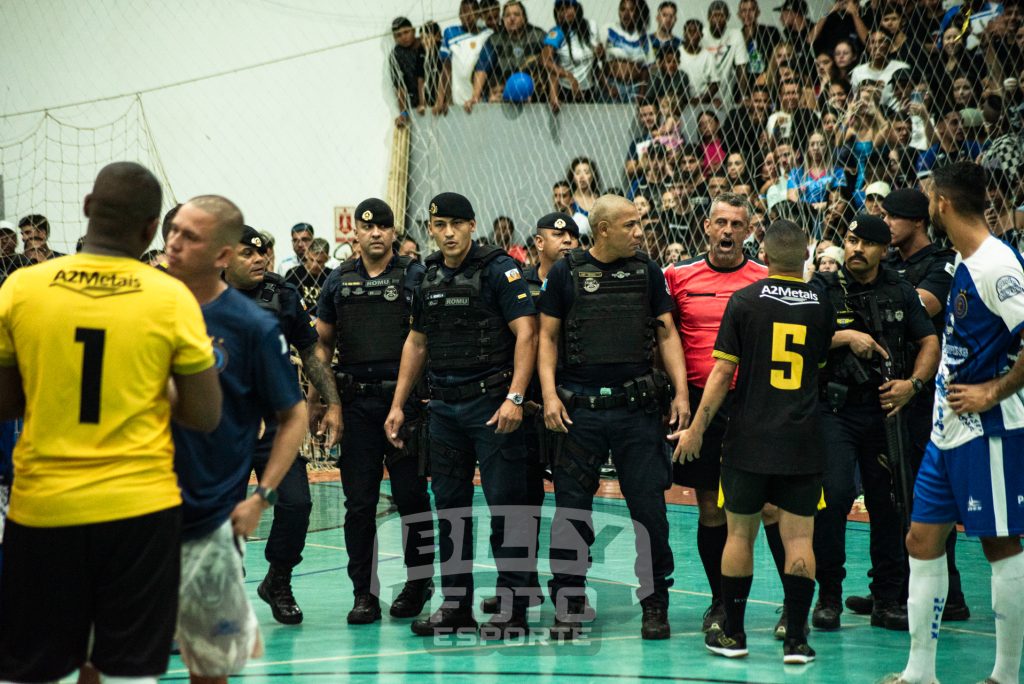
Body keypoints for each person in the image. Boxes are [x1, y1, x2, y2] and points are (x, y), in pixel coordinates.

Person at [0, 162, 222, 683]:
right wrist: (147, 384)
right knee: (126, 671)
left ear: (85, 208)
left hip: (44, 507)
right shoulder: (170, 297)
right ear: (151, 230)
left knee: (31, 670)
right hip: (139, 510)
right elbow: (204, 414)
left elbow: (5, 402)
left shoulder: (20, 288)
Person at [879, 162, 1024, 684]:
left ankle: (1005, 675)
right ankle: (920, 672)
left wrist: (994, 390)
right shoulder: (966, 261)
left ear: (940, 203)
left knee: (1000, 543)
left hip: (988, 430)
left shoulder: (995, 264)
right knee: (921, 539)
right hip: (948, 428)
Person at [672, 219, 834, 664]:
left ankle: (734, 633)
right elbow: (818, 362)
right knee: (800, 537)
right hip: (802, 440)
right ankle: (797, 640)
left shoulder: (744, 301)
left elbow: (722, 373)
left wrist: (698, 428)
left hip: (748, 440)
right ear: (805, 257)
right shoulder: (821, 302)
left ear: (763, 254)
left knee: (738, 534)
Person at [164, 195, 307, 681]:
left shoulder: (252, 326)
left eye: (191, 236)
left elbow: (294, 415)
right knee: (101, 653)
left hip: (207, 515)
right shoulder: (143, 303)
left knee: (210, 664)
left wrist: (261, 496)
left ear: (222, 255)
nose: (174, 243)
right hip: (132, 503)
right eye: (173, 231)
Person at [384, 192, 538, 639]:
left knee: (506, 508)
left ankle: (513, 607)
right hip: (445, 410)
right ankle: (455, 606)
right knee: (449, 510)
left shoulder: (499, 270)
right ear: (431, 228)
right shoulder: (427, 274)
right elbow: (416, 343)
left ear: (472, 225)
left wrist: (514, 397)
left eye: (456, 223)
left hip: (492, 406)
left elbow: (526, 334)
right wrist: (397, 404)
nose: (448, 232)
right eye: (439, 224)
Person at [537, 194, 688, 641]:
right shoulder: (566, 273)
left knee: (650, 512)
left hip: (635, 412)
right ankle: (569, 602)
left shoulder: (647, 273)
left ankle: (655, 604)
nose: (639, 232)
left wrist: (680, 392)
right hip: (578, 413)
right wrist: (548, 395)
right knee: (571, 513)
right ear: (603, 230)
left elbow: (667, 333)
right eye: (631, 225)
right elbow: (547, 338)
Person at [841, 188, 971, 629]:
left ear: (916, 222)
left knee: (922, 494)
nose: (887, 224)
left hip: (926, 395)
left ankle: (948, 593)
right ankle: (890, 590)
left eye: (893, 218)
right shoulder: (893, 266)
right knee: (892, 493)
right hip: (889, 391)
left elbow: (923, 306)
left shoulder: (941, 264)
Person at [809, 214, 940, 632]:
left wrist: (913, 384)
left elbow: (930, 341)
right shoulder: (823, 289)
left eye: (866, 243)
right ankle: (828, 595)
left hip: (885, 410)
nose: (856, 249)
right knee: (835, 497)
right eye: (850, 240)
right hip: (834, 411)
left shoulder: (900, 290)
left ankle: (888, 598)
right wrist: (844, 338)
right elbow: (800, 337)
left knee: (890, 504)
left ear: (884, 250)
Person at [313, 198, 436, 625]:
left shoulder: (416, 276)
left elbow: (426, 339)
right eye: (368, 228)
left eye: (384, 226)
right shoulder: (338, 280)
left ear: (394, 233)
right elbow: (321, 347)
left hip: (405, 407)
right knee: (359, 504)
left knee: (411, 498)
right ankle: (363, 592)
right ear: (356, 235)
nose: (376, 233)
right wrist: (323, 403)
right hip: (356, 405)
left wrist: (407, 402)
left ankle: (418, 583)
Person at [664, 193, 777, 635]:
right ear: (706, 227)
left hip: (754, 405)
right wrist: (676, 398)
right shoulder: (677, 277)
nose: (728, 231)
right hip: (698, 404)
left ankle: (791, 605)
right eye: (720, 223)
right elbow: (664, 338)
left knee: (770, 507)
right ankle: (719, 602)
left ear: (750, 231)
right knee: (711, 507)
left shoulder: (767, 279)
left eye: (737, 224)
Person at [222, 225, 342, 625]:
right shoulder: (200, 296)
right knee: (220, 517)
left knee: (296, 505)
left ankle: (279, 579)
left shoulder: (282, 294)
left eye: (263, 253)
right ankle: (223, 589)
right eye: (247, 254)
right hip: (224, 428)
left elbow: (311, 354)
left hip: (277, 426)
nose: (259, 260)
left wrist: (331, 402)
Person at [479, 211, 581, 617]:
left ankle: (567, 587)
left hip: (567, 404)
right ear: (538, 242)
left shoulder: (584, 278)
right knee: (518, 499)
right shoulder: (516, 281)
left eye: (572, 234)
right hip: (525, 403)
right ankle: (520, 586)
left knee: (572, 501)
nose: (568, 240)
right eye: (558, 235)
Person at [436, 0, 494, 112]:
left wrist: (476, 96)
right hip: (457, 100)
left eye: (470, 13)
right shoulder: (450, 33)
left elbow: (485, 67)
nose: (466, 17)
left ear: (478, 14)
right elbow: (446, 70)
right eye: (463, 12)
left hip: (480, 101)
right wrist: (441, 100)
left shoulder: (488, 34)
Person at [389, 16, 426, 127]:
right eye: (398, 35)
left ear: (414, 30)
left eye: (406, 32)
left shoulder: (426, 44)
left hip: (435, 98)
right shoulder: (396, 55)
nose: (403, 37)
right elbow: (399, 86)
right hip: (414, 105)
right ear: (394, 38)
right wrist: (403, 112)